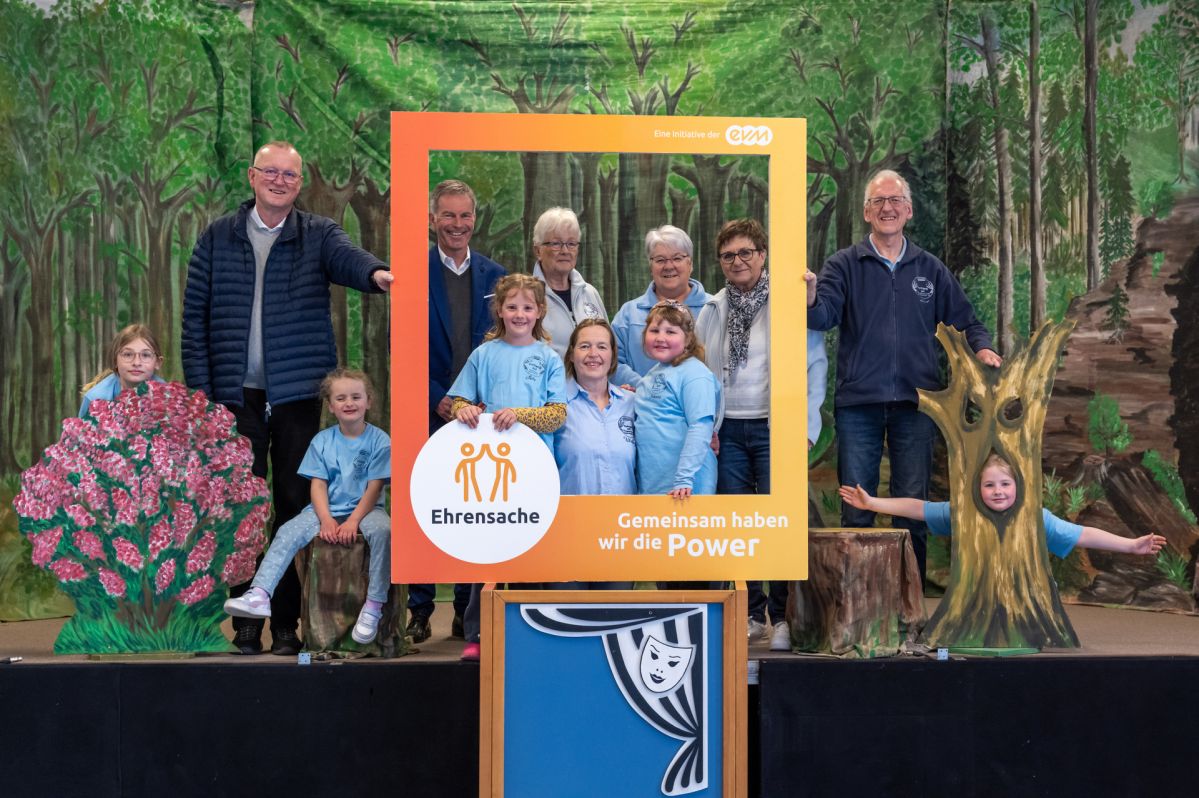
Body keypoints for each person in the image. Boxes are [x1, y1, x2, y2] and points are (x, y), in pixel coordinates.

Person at [182, 140, 393, 656]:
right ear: (252, 176)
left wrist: (376, 274)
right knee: (244, 509)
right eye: (270, 172)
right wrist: (204, 399)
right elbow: (194, 321)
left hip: (297, 395)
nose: (279, 181)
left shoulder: (317, 234)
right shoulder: (217, 236)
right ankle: (246, 623)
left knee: (296, 505)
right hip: (233, 399)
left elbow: (349, 260)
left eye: (289, 175)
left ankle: (285, 624)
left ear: (299, 185)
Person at [806, 169, 1001, 585]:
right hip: (858, 405)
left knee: (912, 507)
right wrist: (808, 299)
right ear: (866, 212)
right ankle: (856, 600)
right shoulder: (844, 264)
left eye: (895, 200)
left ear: (908, 211)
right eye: (878, 201)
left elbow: (966, 320)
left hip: (917, 405)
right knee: (856, 508)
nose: (887, 208)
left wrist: (982, 347)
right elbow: (823, 316)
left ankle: (909, 601)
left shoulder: (929, 268)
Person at [695, 219, 828, 650]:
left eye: (746, 252)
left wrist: (806, 430)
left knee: (781, 523)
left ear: (762, 255)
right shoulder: (713, 309)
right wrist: (706, 425)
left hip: (777, 429)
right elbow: (699, 372)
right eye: (728, 255)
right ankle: (752, 613)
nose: (737, 261)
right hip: (728, 431)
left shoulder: (788, 301)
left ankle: (784, 616)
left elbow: (815, 366)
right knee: (739, 525)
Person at [224, 369, 392, 646]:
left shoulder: (380, 441)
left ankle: (374, 605)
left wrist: (353, 521)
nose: (349, 403)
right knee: (287, 531)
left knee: (384, 532)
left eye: (356, 397)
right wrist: (325, 519)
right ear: (331, 405)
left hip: (366, 510)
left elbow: (374, 488)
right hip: (326, 509)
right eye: (341, 398)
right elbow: (318, 486)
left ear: (369, 401)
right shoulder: (322, 441)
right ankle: (260, 594)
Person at [408, 179, 507, 645]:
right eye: (448, 215)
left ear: (474, 219)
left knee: (475, 511)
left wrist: (479, 402)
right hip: (428, 409)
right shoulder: (414, 272)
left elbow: (506, 343)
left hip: (481, 414)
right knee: (425, 507)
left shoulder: (495, 276)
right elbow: (402, 345)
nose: (457, 224)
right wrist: (436, 397)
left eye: (465, 215)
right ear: (433, 220)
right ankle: (419, 608)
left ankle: (467, 609)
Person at [448, 274, 568, 660]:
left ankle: (529, 631)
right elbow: (458, 401)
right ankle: (478, 633)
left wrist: (519, 415)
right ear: (499, 310)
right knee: (490, 551)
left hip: (535, 471)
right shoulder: (484, 355)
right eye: (512, 306)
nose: (519, 313)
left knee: (531, 552)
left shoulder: (548, 358)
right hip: (490, 472)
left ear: (540, 311)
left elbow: (557, 415)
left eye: (527, 307)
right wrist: (463, 409)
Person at [839, 453, 1167, 560]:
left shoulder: (1034, 517)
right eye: (990, 485)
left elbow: (1082, 534)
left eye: (1005, 484)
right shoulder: (964, 513)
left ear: (1018, 487)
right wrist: (872, 502)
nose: (998, 491)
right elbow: (918, 508)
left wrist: (1130, 545)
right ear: (978, 489)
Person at [553, 319, 636, 590]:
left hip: (621, 536)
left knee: (614, 614)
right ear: (571, 354)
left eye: (602, 346)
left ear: (612, 356)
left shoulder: (633, 404)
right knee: (565, 614)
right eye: (584, 346)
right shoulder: (554, 406)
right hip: (566, 536)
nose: (593, 354)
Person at [636, 302, 720, 499]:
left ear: (688, 338)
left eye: (671, 332)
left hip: (686, 488)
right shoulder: (652, 374)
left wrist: (684, 478)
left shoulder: (695, 374)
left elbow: (700, 426)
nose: (660, 338)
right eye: (654, 330)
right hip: (653, 485)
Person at [612, 225, 709, 376]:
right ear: (650, 266)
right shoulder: (629, 314)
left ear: (690, 264)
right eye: (660, 260)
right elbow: (613, 362)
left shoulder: (713, 308)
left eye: (677, 258)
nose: (669, 266)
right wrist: (646, 387)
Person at [79, 324, 166, 416]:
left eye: (145, 355)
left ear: (157, 362)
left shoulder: (166, 396)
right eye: (128, 354)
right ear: (115, 360)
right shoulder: (95, 399)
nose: (136, 362)